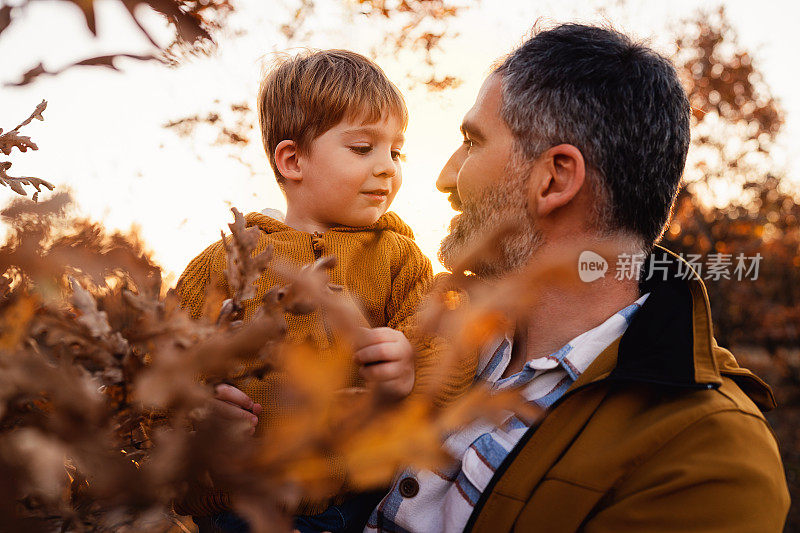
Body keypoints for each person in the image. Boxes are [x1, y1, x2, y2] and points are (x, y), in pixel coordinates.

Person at [366, 24, 790, 532]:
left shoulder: (710, 459)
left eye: (471, 141)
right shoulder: (423, 332)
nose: (444, 177)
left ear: (555, 178)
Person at [173, 50, 475, 531]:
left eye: (395, 152)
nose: (386, 168)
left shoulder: (399, 257)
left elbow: (449, 353)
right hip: (245, 504)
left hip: (362, 500)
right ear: (292, 160)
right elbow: (163, 367)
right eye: (362, 149)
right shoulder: (227, 263)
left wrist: (409, 370)